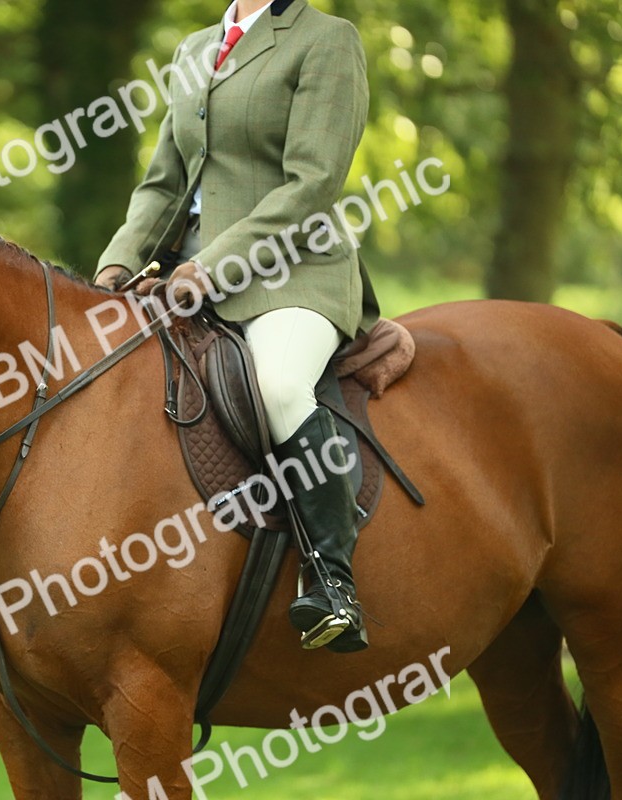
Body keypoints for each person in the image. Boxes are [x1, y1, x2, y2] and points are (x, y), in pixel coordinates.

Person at [95, 0, 379, 652]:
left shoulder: (326, 41)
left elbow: (312, 184)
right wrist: (115, 266)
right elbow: (163, 185)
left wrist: (211, 268)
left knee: (278, 384)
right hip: (184, 274)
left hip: (292, 273)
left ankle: (332, 579)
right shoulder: (198, 48)